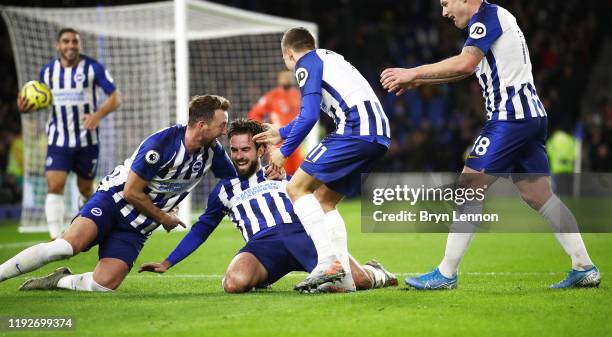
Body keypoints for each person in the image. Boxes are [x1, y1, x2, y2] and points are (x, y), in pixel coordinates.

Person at [381, 0, 599, 289]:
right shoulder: (490, 23)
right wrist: (419, 81)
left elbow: (464, 65)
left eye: (446, 3)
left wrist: (411, 71)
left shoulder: (488, 17)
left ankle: (445, 273)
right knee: (538, 195)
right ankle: (585, 266)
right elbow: (464, 70)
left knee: (469, 186)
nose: (444, 12)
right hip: (530, 116)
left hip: (510, 117)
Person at [0, 95, 236, 292]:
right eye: (221, 125)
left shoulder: (212, 152)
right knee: (66, 247)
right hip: (113, 200)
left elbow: (235, 177)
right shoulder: (161, 145)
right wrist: (163, 217)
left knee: (104, 284)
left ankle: (58, 280)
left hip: (140, 224)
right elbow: (130, 191)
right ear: (202, 126)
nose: (225, 131)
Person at [139, 119, 397, 293]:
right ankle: (261, 278)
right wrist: (167, 262)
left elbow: (322, 193)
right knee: (233, 283)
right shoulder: (224, 190)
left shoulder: (284, 172)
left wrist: (287, 180)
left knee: (357, 281)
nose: (239, 156)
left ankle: (377, 272)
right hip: (261, 247)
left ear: (260, 150)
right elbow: (201, 230)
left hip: (302, 236)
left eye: (246, 149)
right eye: (234, 150)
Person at [253, 28, 391, 292]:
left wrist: (284, 151)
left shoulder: (305, 64)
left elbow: (309, 116)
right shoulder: (329, 58)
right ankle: (345, 281)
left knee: (296, 188)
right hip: (378, 135)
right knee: (324, 201)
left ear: (289, 53)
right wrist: (280, 133)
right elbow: (310, 112)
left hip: (355, 129)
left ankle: (327, 262)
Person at [17, 28, 121, 239]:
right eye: (66, 41)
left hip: (87, 139)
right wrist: (26, 107)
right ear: (58, 45)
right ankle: (56, 237)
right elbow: (40, 100)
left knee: (85, 189)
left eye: (75, 41)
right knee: (55, 185)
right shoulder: (47, 72)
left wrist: (97, 115)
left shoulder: (93, 67)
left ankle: (89, 221)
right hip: (58, 139)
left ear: (79, 45)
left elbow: (115, 97)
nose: (71, 45)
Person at [248, 69, 303, 175]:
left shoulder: (298, 95)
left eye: (289, 76)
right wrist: (263, 130)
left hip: (298, 143)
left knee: (298, 177)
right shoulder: (272, 96)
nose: (287, 79)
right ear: (279, 79)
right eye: (284, 77)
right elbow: (254, 114)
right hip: (279, 143)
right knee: (279, 176)